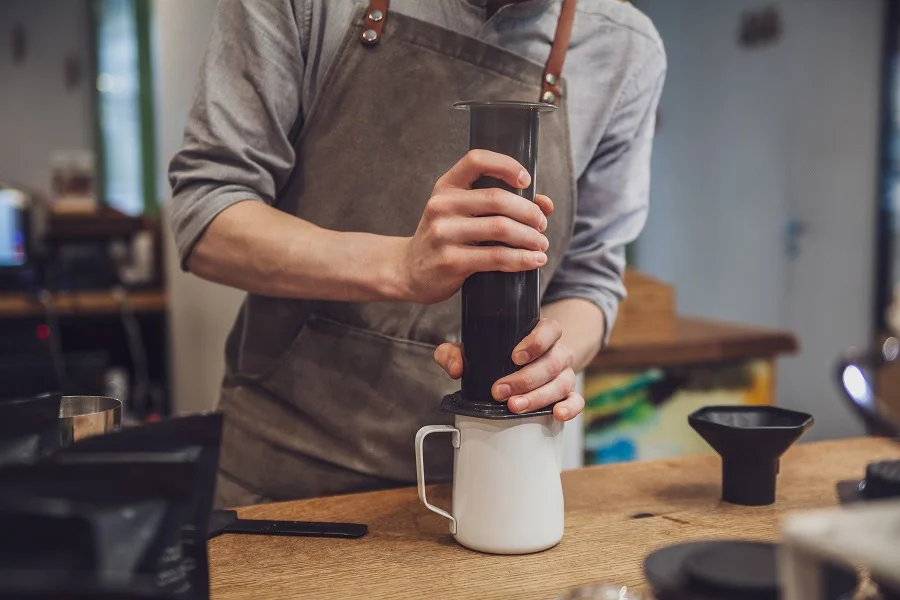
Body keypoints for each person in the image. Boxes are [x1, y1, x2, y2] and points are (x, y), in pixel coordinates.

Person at [168, 0, 666, 507]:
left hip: (492, 480)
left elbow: (590, 280)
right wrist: (400, 267)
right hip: (284, 474)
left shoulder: (626, 49)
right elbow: (210, 213)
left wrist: (550, 361)